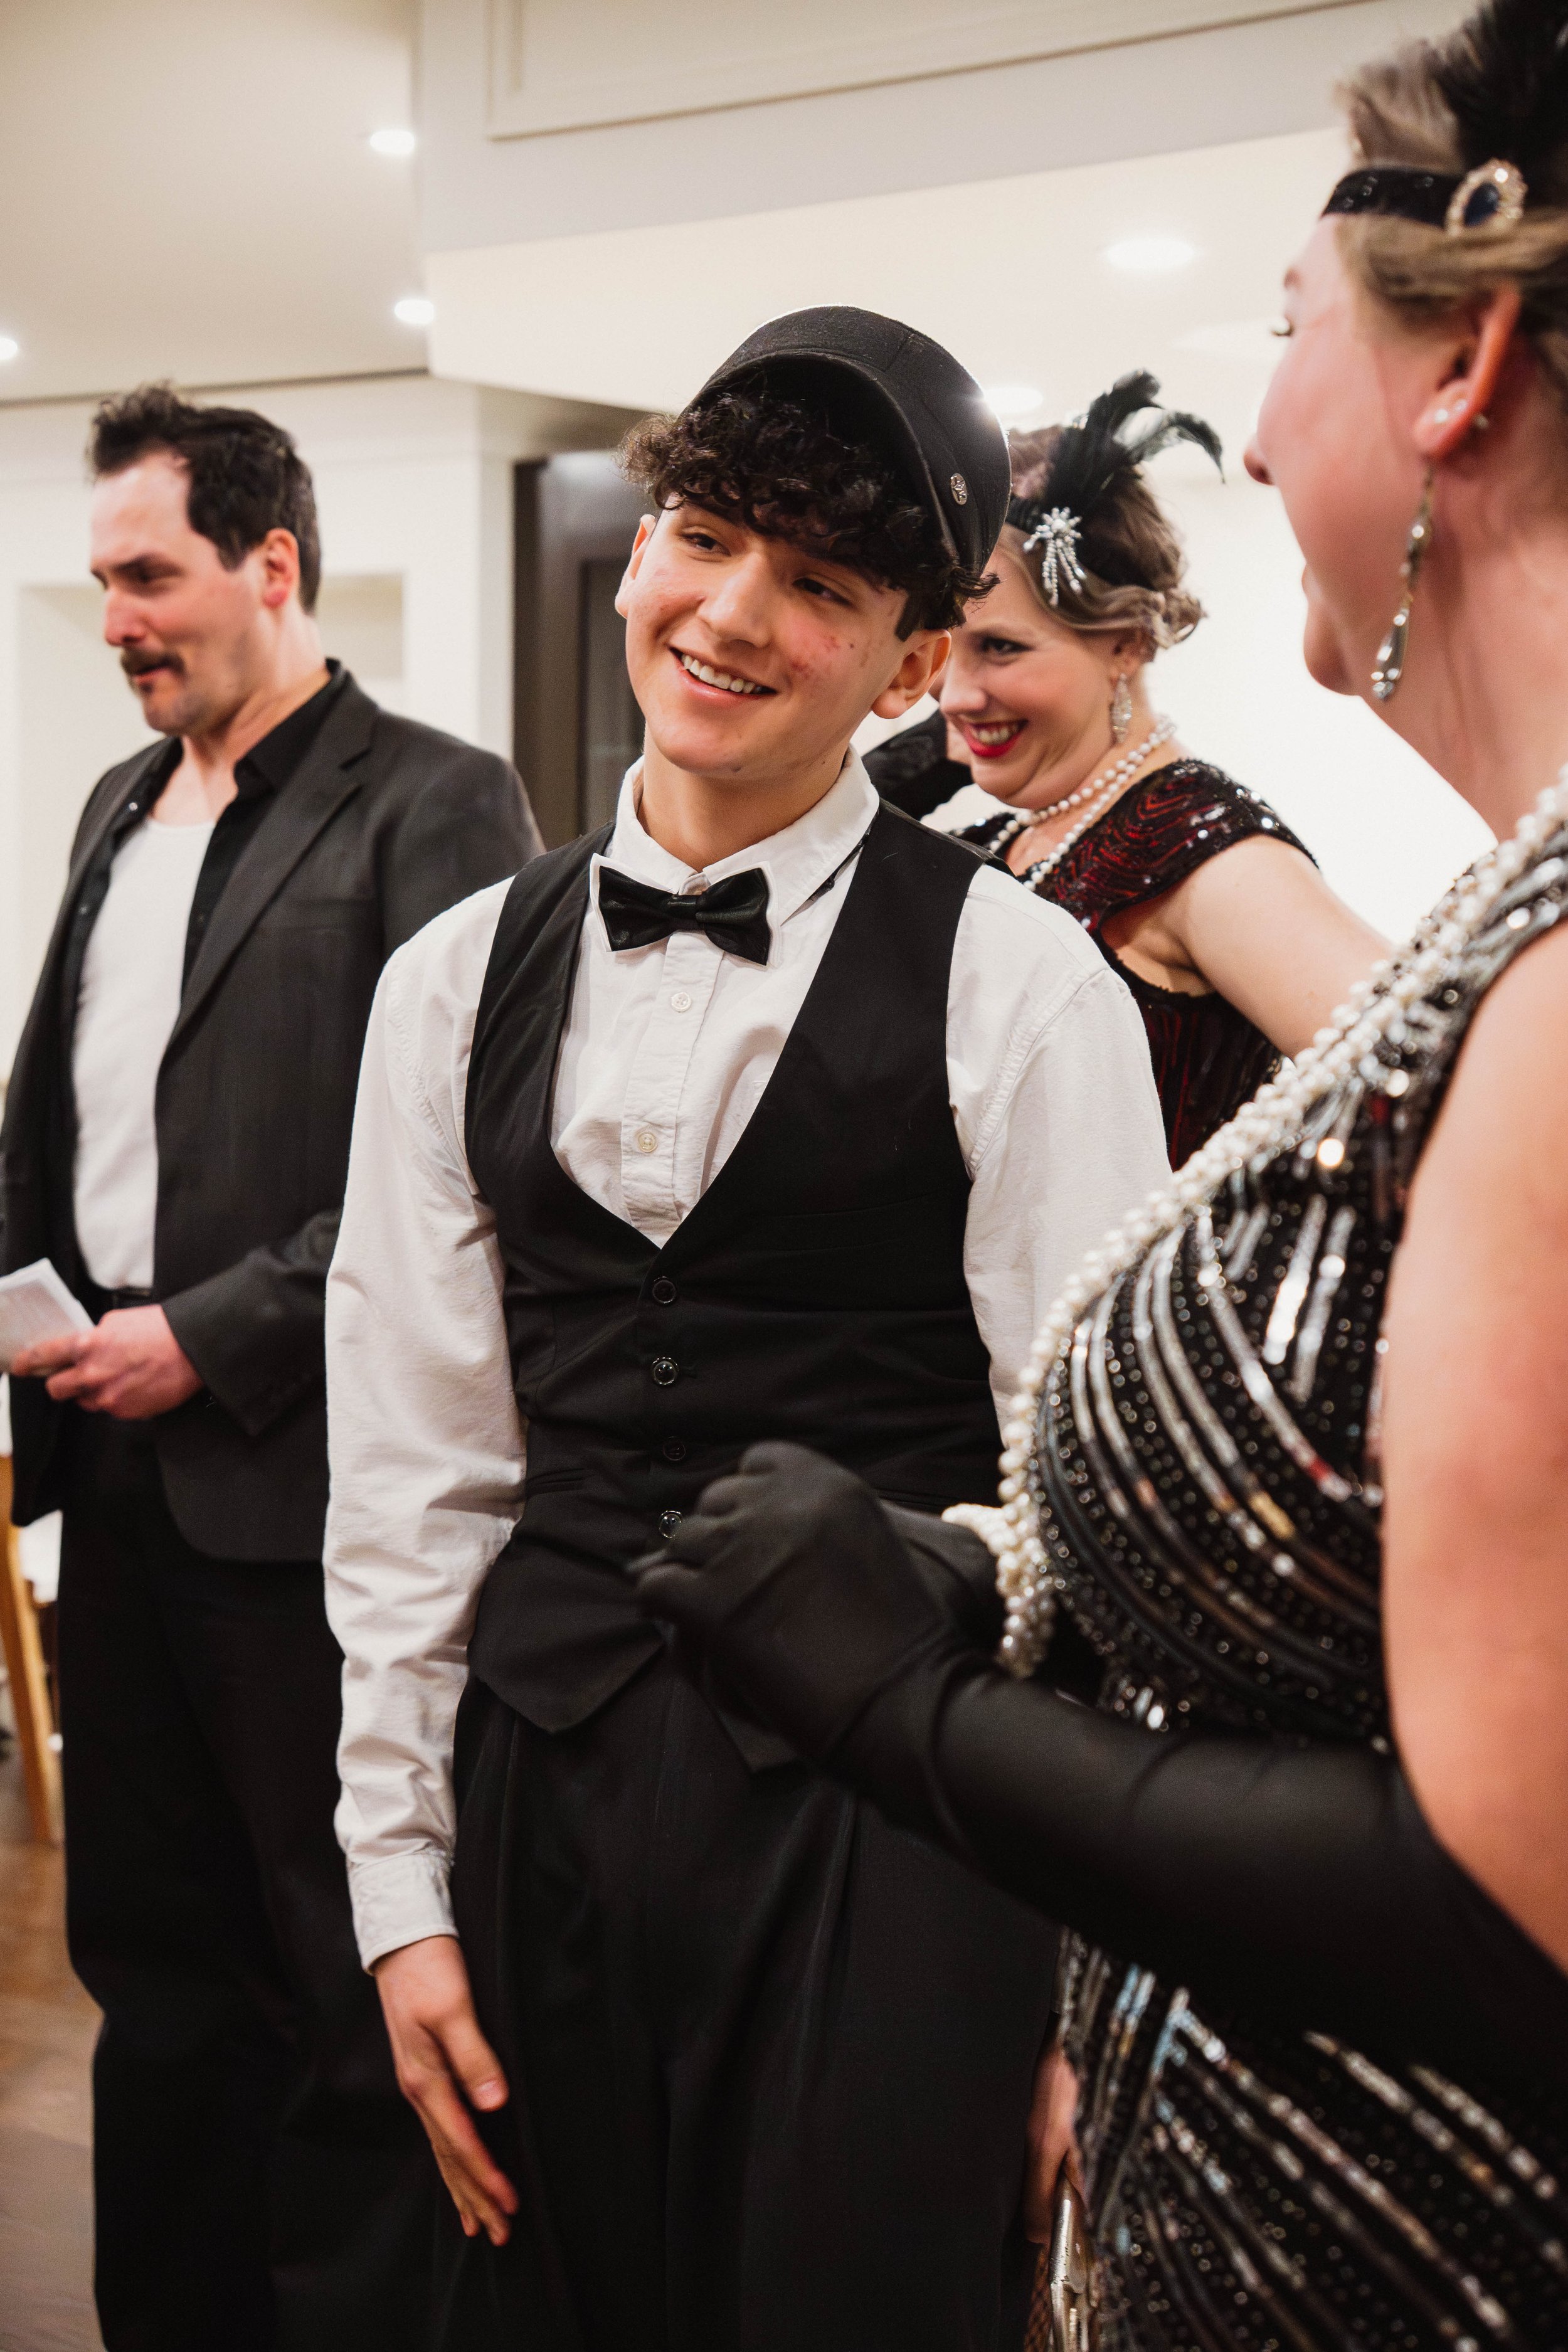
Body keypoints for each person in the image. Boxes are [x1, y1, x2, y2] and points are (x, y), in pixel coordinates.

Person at [635, 6, 1568, 2348]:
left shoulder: (1380, 926)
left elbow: (1507, 1867)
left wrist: (916, 1712)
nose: (1257, 426)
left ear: (1460, 368)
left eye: (1286, 334)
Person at [322, 307, 1172, 2352]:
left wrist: (1077, 1990)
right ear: (640, 547)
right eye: (707, 537)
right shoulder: (451, 981)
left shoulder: (1025, 988)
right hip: (539, 1799)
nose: (734, 614)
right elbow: (417, 1475)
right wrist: (401, 1895)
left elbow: (1103, 1521)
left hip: (890, 1831)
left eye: (822, 584)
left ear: (904, 665)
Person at [1, 386, 541, 2352]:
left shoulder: (433, 799)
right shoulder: (109, 809)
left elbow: (453, 1169)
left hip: (313, 1484)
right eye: (106, 583)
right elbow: (51, 1107)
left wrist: (207, 1335)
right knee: (153, 1965)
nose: (122, 617)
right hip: (111, 1467)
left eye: (150, 576)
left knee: (332, 1979)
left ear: (273, 564)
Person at [941, 376, 1386, 1165]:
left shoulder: (1199, 850)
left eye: (1000, 647)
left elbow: (1426, 1087)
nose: (954, 694)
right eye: (945, 648)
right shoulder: (1005, 833)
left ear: (1127, 643)